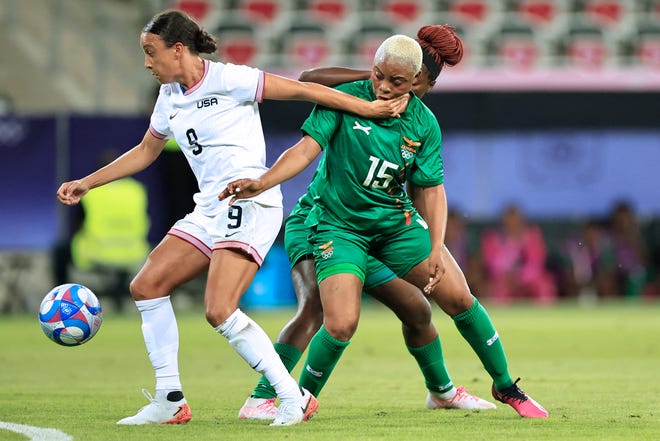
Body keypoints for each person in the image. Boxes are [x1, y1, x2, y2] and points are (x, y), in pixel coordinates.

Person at [56, 9, 409, 427]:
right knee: (147, 285)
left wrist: (367, 109)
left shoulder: (230, 79)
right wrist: (88, 182)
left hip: (250, 199)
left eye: (151, 52)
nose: (147, 63)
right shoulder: (169, 97)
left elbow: (302, 92)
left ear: (178, 49)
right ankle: (170, 400)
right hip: (209, 206)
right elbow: (147, 150)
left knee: (219, 309)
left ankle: (292, 397)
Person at [221, 30, 548, 419]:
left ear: (418, 82)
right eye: (381, 75)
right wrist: (263, 181)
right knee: (327, 316)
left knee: (435, 304)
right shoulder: (347, 98)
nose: (385, 87)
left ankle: (492, 386)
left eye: (399, 80)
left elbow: (430, 189)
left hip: (390, 226)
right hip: (331, 223)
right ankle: (287, 397)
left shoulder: (424, 124)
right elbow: (304, 146)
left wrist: (436, 246)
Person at [52, 150, 151, 312]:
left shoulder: (91, 193)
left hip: (97, 253)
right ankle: (120, 295)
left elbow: (77, 226)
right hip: (134, 254)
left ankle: (62, 300)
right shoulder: (136, 190)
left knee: (60, 249)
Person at [481, 204, 557, 305]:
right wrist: (508, 275)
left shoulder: (532, 237)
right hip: (504, 279)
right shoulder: (493, 239)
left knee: (545, 285)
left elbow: (537, 263)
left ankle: (545, 316)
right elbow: (491, 264)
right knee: (497, 288)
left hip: (529, 278)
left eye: (516, 220)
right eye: (509, 221)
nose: (512, 224)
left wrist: (519, 276)